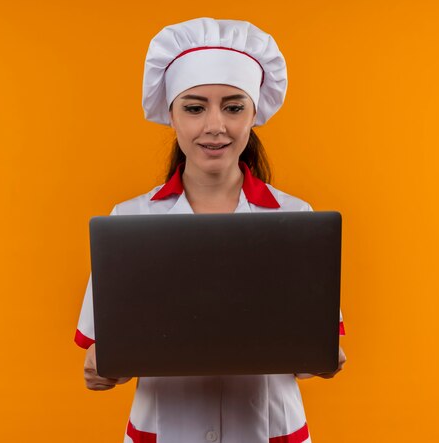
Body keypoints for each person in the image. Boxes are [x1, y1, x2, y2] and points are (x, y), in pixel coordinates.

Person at [75, 17, 347, 443]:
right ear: (171, 114)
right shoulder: (129, 220)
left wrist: (321, 358)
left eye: (234, 107)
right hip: (164, 430)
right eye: (195, 107)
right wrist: (103, 369)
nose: (215, 126)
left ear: (255, 112)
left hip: (269, 429)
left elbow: (311, 350)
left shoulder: (297, 216)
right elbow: (105, 350)